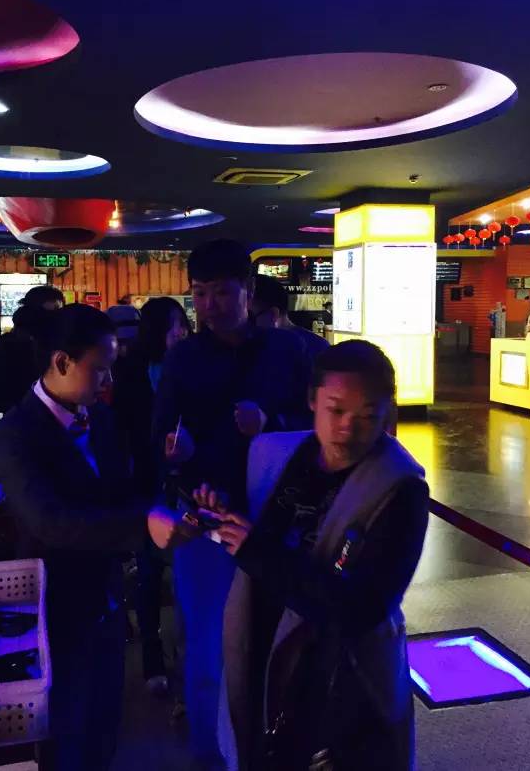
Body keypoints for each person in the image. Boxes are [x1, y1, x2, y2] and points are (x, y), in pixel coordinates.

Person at [173, 340, 429, 771]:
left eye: (368, 415)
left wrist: (257, 551)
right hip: (260, 641)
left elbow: (362, 608)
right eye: (336, 409)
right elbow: (251, 512)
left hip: (339, 676)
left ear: (388, 413)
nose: (348, 428)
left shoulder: (400, 489)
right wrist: (217, 508)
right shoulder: (275, 454)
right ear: (312, 399)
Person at [0, 304, 179, 771]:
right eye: (100, 369)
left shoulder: (100, 418)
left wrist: (166, 475)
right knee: (65, 726)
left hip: (108, 597)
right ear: (61, 362)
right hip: (57, 602)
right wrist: (142, 526)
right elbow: (50, 521)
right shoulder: (14, 434)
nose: (108, 380)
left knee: (104, 720)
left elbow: (120, 491)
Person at [152, 239, 311, 763]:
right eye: (199, 293)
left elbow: (318, 427)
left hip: (275, 518)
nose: (209, 305)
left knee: (279, 638)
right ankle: (210, 755)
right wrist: (178, 454)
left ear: (247, 290)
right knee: (207, 648)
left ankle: (270, 747)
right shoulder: (182, 357)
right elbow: (163, 434)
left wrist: (271, 422)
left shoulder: (289, 351)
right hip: (207, 519)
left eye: (221, 292)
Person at [112, 297, 191, 698]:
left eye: (184, 325)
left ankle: (186, 657)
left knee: (187, 572)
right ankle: (152, 656)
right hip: (148, 482)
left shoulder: (193, 367)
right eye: (176, 325)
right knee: (148, 572)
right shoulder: (132, 371)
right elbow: (124, 430)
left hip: (187, 481)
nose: (183, 332)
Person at [0, 285, 64, 413]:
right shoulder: (8, 345)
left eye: (59, 311)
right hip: (24, 418)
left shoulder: (61, 341)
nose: (57, 317)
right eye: (52, 311)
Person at [251, 274, 329, 362]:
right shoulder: (319, 345)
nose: (243, 326)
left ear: (273, 315)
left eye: (249, 317)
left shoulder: (316, 349)